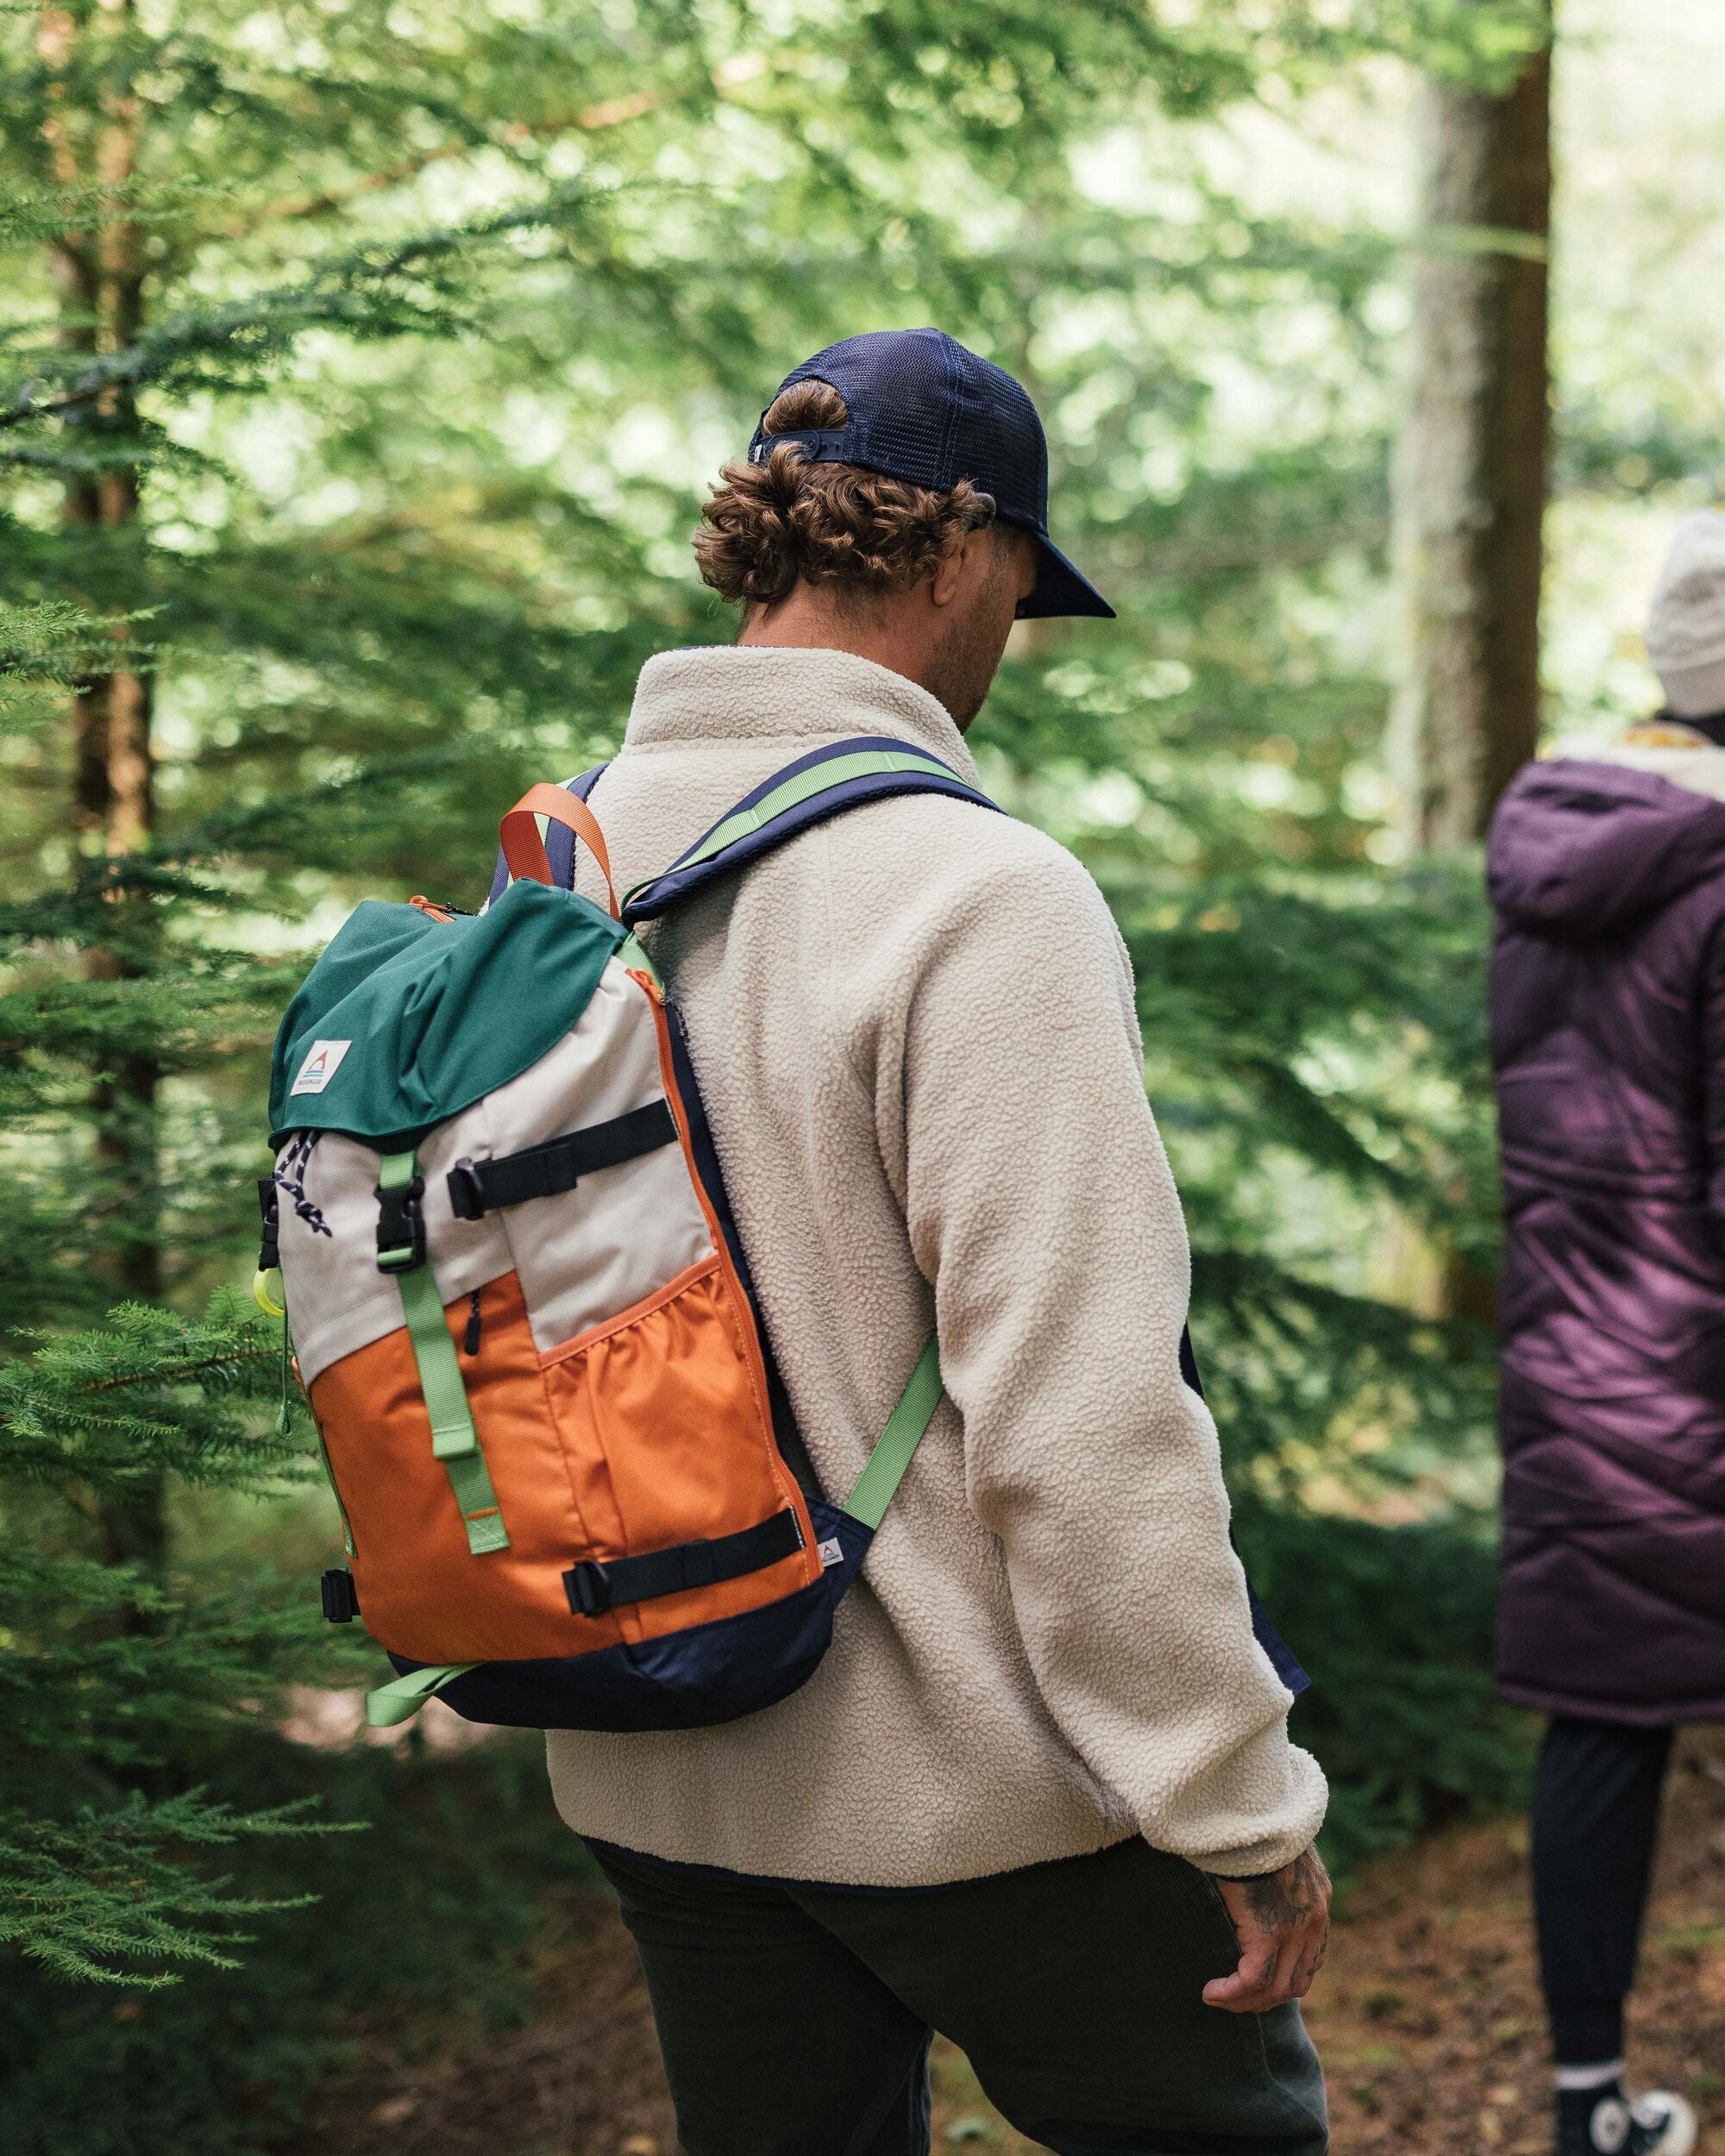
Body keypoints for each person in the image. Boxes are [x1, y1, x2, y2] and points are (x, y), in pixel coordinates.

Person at [542, 328, 1331, 2156]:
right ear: (960, 551)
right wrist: (1232, 1801)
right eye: (1024, 595)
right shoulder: (981, 893)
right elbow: (1080, 1425)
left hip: (660, 1761)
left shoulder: (563, 858)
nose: (1009, 648)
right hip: (969, 1792)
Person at [1486, 508, 1725, 2156]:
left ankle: (1584, 2102)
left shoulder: (1562, 829)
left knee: (1607, 1718)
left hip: (1579, 1347)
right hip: (1704, 1362)